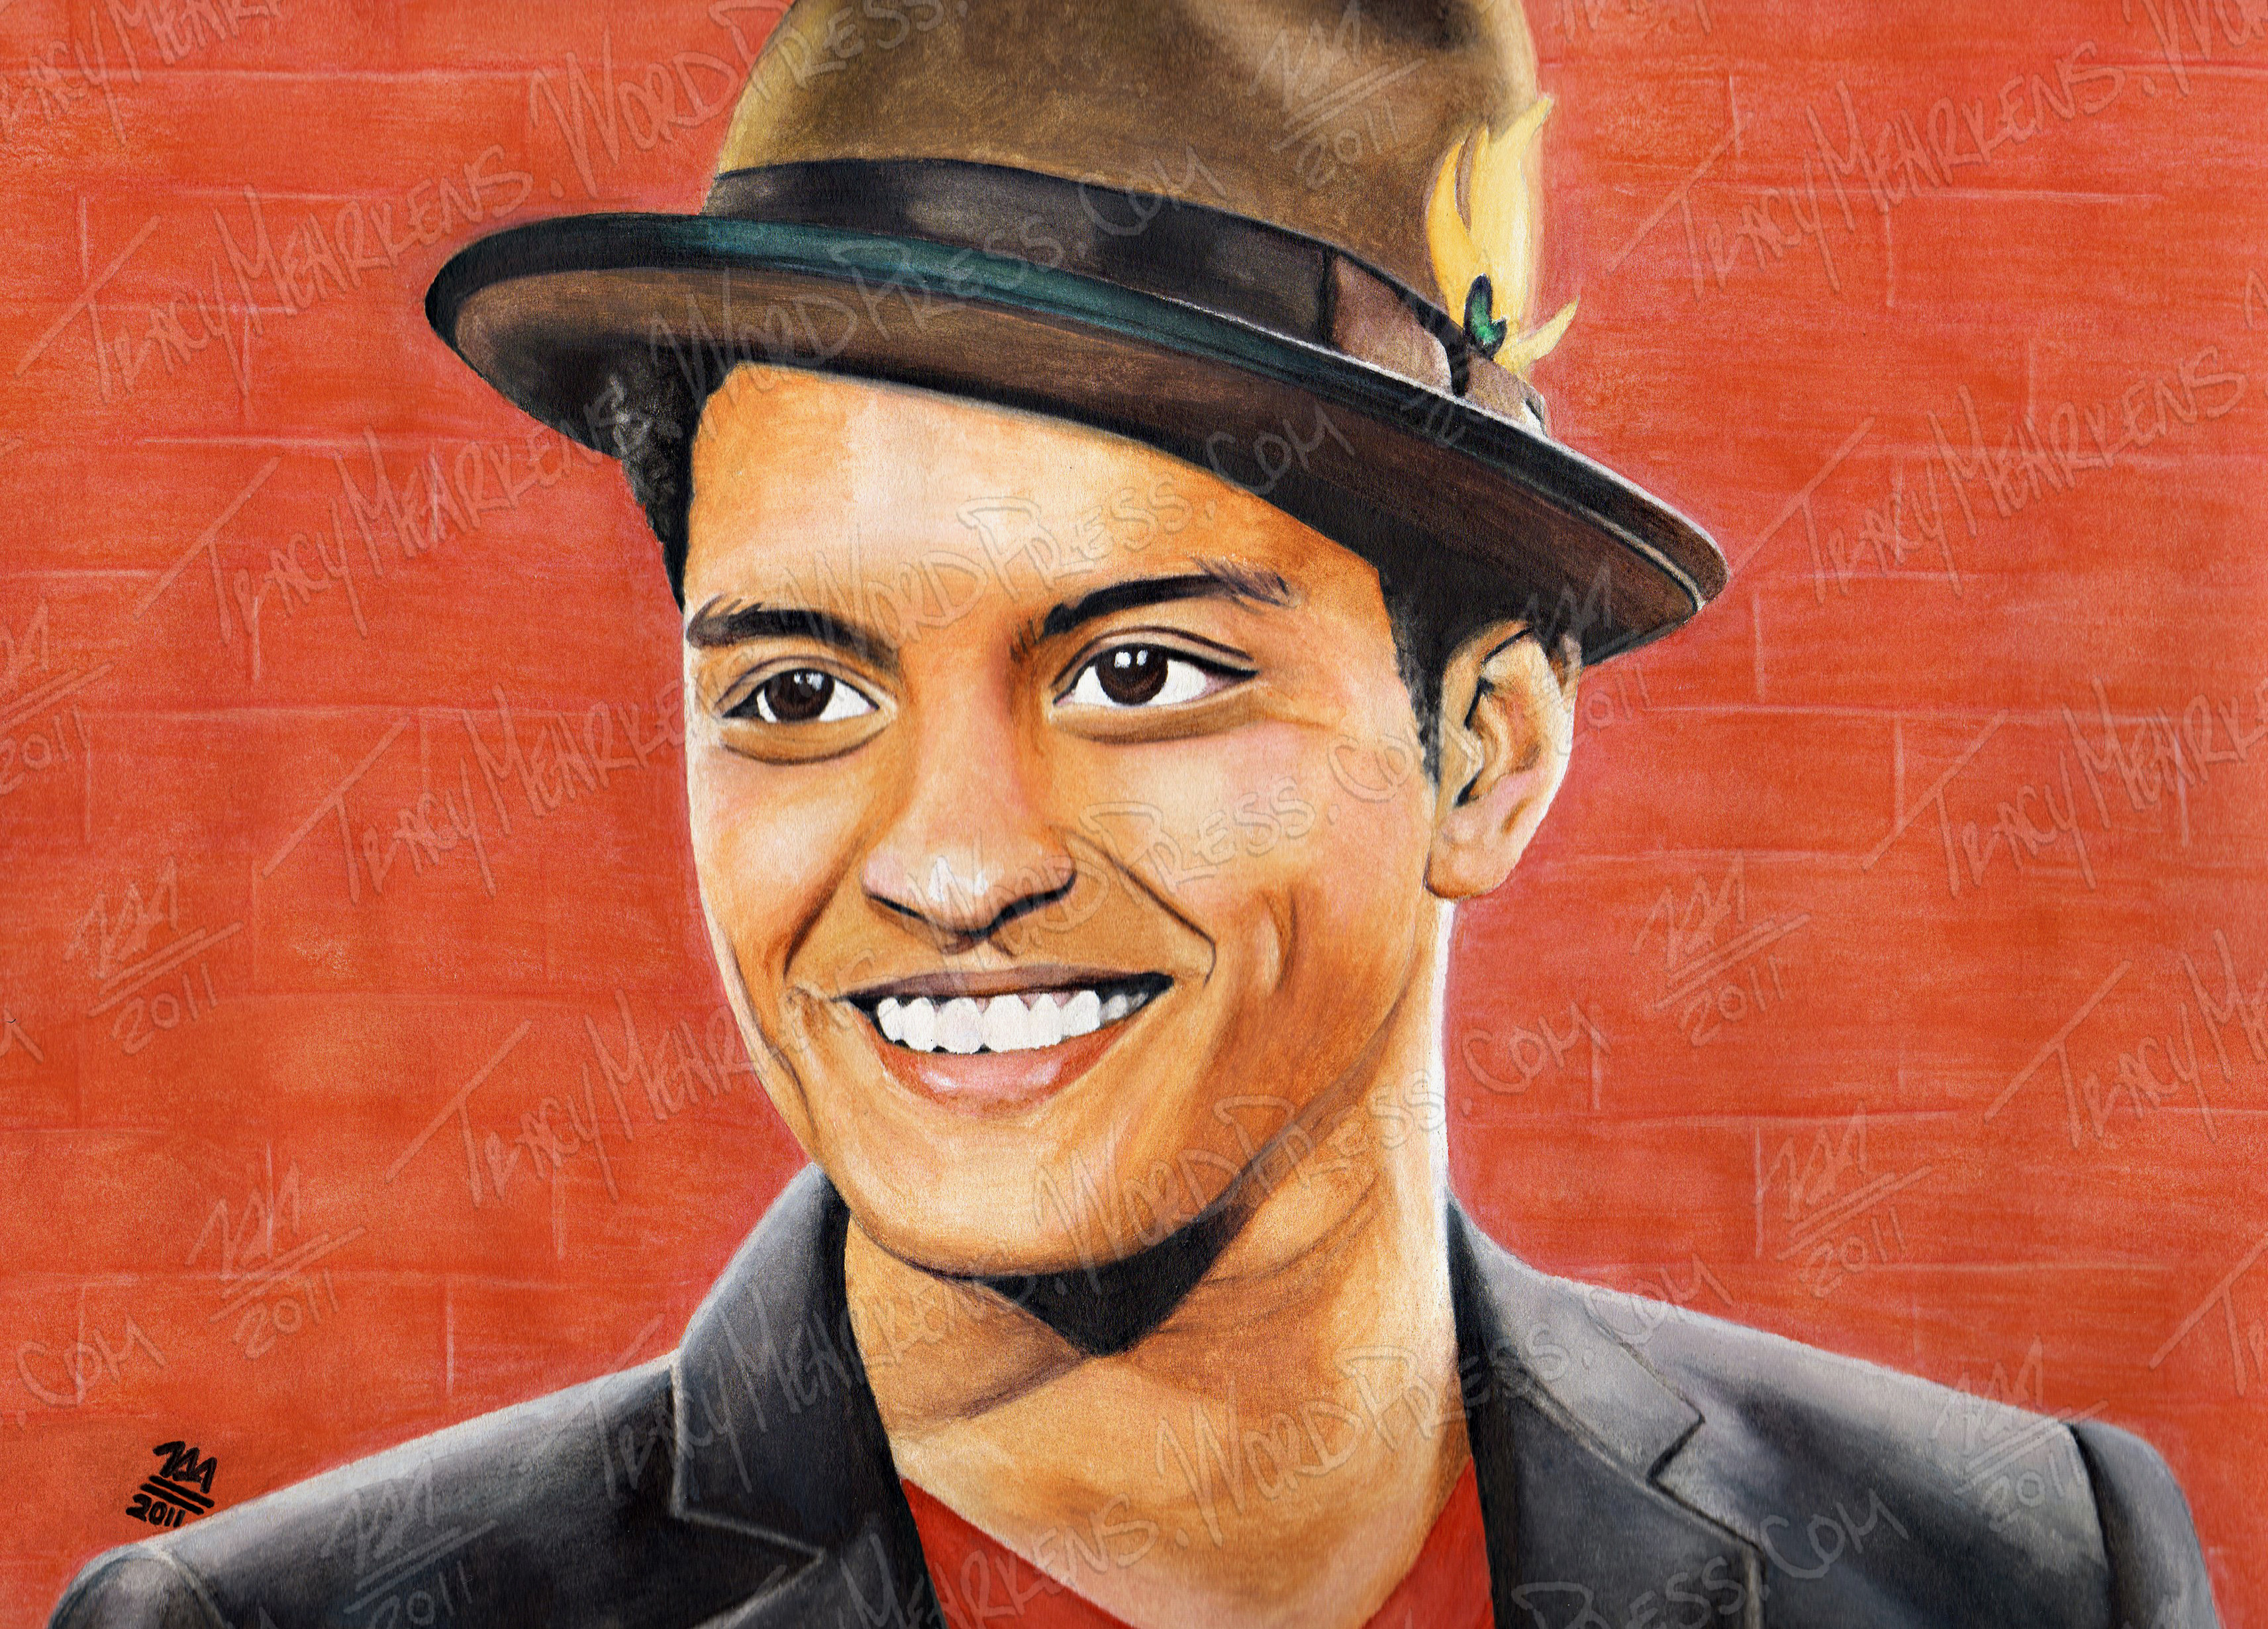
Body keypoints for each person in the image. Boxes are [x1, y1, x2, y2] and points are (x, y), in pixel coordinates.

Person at [52, 2, 2216, 1625]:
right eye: (800, 693)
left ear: (1484, 752)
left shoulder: (2013, 1567)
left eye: (1138, 673)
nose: (953, 859)